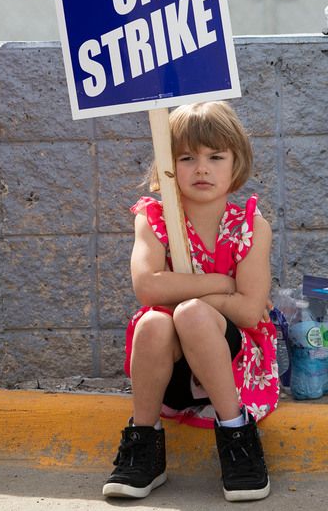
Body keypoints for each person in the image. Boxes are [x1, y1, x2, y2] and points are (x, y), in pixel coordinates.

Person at [101, 101, 278, 503]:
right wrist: (221, 282)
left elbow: (250, 311)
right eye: (187, 157)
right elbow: (147, 287)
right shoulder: (155, 218)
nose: (202, 168)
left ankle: (237, 434)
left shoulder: (250, 225)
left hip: (232, 368)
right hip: (171, 372)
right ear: (167, 164)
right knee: (153, 321)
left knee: (192, 314)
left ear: (236, 163)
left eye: (215, 156)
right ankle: (144, 442)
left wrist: (182, 289)